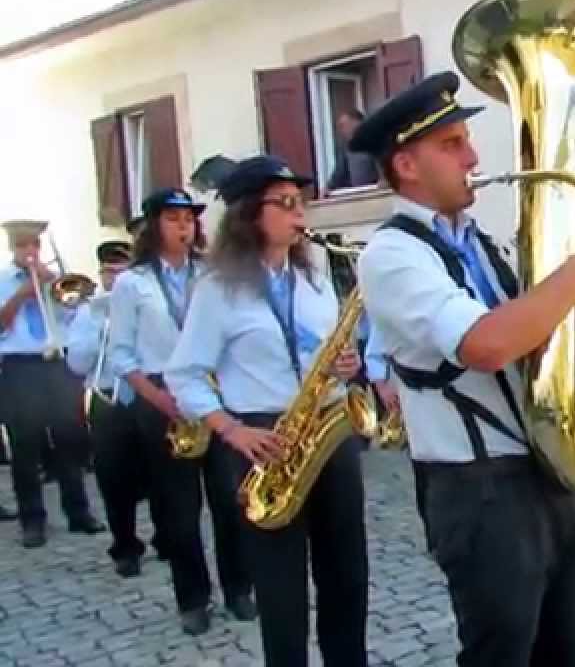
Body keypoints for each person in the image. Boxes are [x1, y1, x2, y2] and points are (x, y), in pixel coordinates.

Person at [356, 71, 575, 666]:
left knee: (566, 650)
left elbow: (536, 334)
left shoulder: (481, 244)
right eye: (451, 145)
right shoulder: (392, 255)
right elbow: (487, 345)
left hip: (549, 469)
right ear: (405, 164)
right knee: (500, 654)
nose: (473, 157)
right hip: (479, 490)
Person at [165, 155, 368, 666]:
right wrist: (230, 430)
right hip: (263, 439)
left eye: (302, 203)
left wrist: (348, 363)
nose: (301, 215)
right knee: (280, 590)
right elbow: (184, 374)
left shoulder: (317, 275)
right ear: (251, 214)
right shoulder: (217, 289)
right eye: (286, 204)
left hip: (328, 428)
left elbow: (329, 348)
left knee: (346, 573)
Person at [109, 189, 256, 634]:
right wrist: (162, 401)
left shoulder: (211, 274)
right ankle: (192, 599)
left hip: (211, 390)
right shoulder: (131, 284)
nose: (183, 227)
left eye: (189, 219)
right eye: (173, 219)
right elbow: (121, 356)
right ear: (153, 226)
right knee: (178, 508)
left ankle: (239, 589)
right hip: (162, 397)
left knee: (230, 500)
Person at [0, 219, 103, 547]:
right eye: (22, 245)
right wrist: (21, 295)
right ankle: (33, 520)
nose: (29, 252)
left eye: (34, 245)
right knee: (25, 445)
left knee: (70, 439)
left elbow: (78, 317)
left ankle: (78, 512)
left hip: (59, 363)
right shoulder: (3, 281)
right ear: (12, 247)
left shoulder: (58, 280)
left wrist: (53, 289)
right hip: (21, 366)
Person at [66, 239, 160, 576]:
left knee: (159, 472)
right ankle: (125, 546)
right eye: (108, 272)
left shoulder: (146, 303)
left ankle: (166, 537)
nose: (114, 278)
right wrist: (99, 329)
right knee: (113, 477)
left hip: (146, 394)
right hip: (107, 399)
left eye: (120, 271)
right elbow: (77, 365)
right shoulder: (87, 312)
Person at [326, 109, 379, 191]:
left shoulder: (375, 140)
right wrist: (328, 187)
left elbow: (384, 164)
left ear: (356, 122)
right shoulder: (347, 148)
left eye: (343, 125)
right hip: (357, 195)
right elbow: (339, 173)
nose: (341, 131)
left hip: (377, 193)